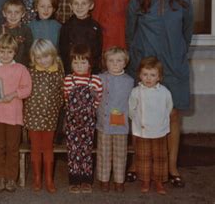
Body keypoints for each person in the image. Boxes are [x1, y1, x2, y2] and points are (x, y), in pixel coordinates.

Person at [126, 0, 193, 188]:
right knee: (141, 114)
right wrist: (138, 63)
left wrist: (176, 53)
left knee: (172, 115)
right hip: (146, 67)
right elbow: (130, 34)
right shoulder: (138, 0)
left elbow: (187, 34)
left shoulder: (183, 1)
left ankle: (171, 167)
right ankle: (136, 163)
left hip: (174, 66)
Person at [0, 34, 32, 192]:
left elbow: (27, 89)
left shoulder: (21, 69)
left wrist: (14, 94)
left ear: (15, 52)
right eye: (2, 51)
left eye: (9, 52)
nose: (5, 55)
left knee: (12, 147)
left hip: (14, 116)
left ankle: (11, 178)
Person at [24, 39, 64, 193]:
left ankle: (49, 179)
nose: (43, 60)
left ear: (53, 55)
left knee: (48, 148)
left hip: (50, 117)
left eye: (46, 56)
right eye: (39, 57)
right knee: (35, 148)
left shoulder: (58, 71)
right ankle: (37, 179)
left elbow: (62, 93)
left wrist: (56, 107)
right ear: (34, 58)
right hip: (33, 116)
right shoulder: (30, 71)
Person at [129, 57, 173, 195]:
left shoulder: (164, 92)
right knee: (143, 157)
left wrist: (161, 122)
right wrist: (137, 121)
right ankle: (145, 180)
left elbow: (168, 108)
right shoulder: (136, 91)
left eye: (152, 75)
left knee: (160, 157)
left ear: (159, 77)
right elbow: (131, 109)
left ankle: (159, 181)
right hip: (142, 131)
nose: (148, 78)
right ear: (139, 75)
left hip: (159, 131)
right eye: (145, 74)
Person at [64, 44, 102, 194]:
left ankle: (86, 180)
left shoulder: (95, 80)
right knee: (73, 151)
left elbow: (97, 100)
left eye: (83, 62)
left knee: (85, 151)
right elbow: (67, 99)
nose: (79, 66)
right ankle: (74, 180)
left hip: (88, 123)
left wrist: (89, 113)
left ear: (90, 63)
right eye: (76, 62)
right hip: (72, 123)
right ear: (71, 63)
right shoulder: (68, 80)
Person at [96, 47, 134, 193]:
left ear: (125, 63)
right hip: (104, 123)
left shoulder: (129, 81)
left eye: (119, 61)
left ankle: (119, 180)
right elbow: (94, 97)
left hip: (121, 124)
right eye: (111, 61)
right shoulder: (100, 78)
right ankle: (104, 179)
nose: (115, 64)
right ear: (106, 62)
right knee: (104, 153)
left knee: (120, 153)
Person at [59, 0, 102, 74]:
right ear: (71, 6)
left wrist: (93, 72)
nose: (79, 7)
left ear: (91, 6)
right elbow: (63, 52)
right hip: (71, 72)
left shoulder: (95, 27)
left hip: (90, 73)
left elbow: (97, 53)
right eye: (76, 4)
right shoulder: (66, 27)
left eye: (84, 3)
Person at [0, 0, 33, 67]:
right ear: (4, 13)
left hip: (21, 68)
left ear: (23, 14)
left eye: (17, 12)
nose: (13, 15)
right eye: (9, 12)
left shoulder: (26, 30)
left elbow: (29, 51)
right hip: (1, 67)